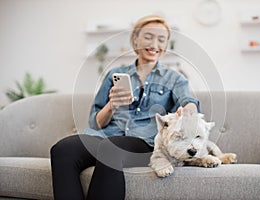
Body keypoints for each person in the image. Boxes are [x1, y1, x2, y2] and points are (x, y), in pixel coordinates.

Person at [50, 14, 200, 200]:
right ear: (135, 39)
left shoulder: (175, 78)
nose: (154, 44)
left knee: (110, 148)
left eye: (161, 39)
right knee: (63, 149)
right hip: (105, 136)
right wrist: (112, 105)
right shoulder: (115, 74)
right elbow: (96, 122)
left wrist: (188, 111)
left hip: (144, 142)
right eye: (148, 37)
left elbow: (189, 102)